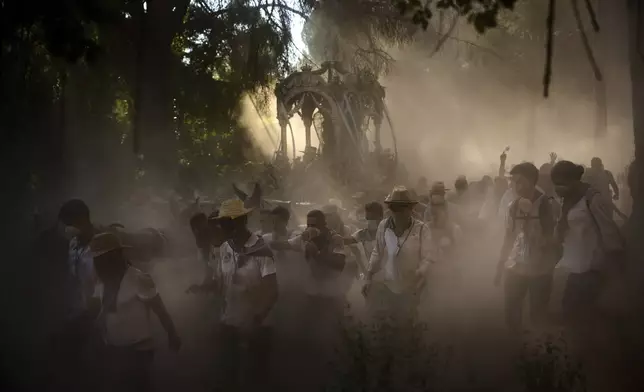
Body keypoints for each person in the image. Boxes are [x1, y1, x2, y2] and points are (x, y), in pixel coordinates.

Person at [91, 232, 180, 392]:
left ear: (116, 256)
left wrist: (172, 334)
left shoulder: (138, 278)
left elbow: (159, 309)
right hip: (113, 348)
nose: (99, 264)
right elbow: (101, 310)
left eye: (103, 259)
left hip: (139, 349)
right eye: (97, 260)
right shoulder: (102, 282)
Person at [209, 199, 279, 392]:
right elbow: (221, 283)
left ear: (240, 221)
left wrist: (255, 319)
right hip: (229, 322)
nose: (221, 227)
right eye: (221, 223)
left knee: (256, 378)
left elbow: (272, 291)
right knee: (227, 376)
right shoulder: (225, 248)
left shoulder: (261, 250)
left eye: (225, 222)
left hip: (258, 325)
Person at [551, 161, 624, 326]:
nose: (558, 189)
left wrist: (614, 262)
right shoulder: (567, 200)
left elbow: (608, 231)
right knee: (571, 313)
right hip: (572, 266)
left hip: (591, 267)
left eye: (561, 184)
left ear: (573, 181)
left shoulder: (592, 198)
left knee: (585, 314)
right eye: (555, 184)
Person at [494, 163, 558, 332]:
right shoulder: (513, 206)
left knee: (538, 316)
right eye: (513, 182)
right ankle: (515, 350)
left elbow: (555, 238)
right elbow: (509, 237)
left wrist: (534, 230)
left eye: (520, 181)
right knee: (512, 314)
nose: (516, 186)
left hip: (541, 268)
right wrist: (500, 266)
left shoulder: (547, 205)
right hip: (516, 266)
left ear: (531, 181)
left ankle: (539, 351)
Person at [362, 186, 437, 324]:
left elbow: (429, 257)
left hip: (414, 288)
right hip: (388, 286)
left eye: (402, 208)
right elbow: (377, 252)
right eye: (394, 208)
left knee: (412, 326)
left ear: (410, 209)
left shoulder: (421, 229)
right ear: (390, 208)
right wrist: (368, 276)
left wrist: (420, 272)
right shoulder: (383, 226)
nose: (398, 212)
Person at [344, 202, 384, 279]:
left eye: (372, 218)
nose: (369, 221)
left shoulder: (388, 232)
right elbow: (348, 240)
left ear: (381, 217)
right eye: (368, 218)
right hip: (373, 276)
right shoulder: (362, 234)